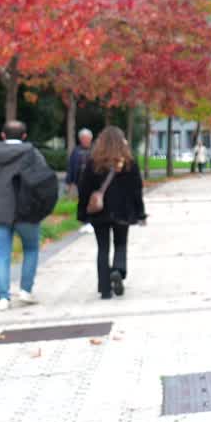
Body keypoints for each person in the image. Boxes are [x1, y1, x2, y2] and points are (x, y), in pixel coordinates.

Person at [0, 120, 49, 311]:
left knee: (1, 253)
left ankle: (3, 298)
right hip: (27, 212)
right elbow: (44, 181)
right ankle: (25, 290)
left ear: (3, 136)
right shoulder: (32, 154)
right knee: (31, 249)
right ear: (24, 136)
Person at [76, 125, 147, 300]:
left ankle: (105, 288)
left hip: (100, 212)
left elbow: (84, 189)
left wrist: (82, 212)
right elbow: (137, 189)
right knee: (121, 244)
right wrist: (140, 213)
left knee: (102, 248)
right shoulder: (129, 162)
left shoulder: (93, 162)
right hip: (123, 210)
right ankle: (118, 270)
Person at [65, 128, 93, 197]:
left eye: (86, 138)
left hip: (93, 179)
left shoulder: (95, 149)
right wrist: (69, 183)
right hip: (80, 180)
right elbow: (70, 167)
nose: (84, 141)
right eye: (82, 139)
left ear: (90, 139)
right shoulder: (76, 151)